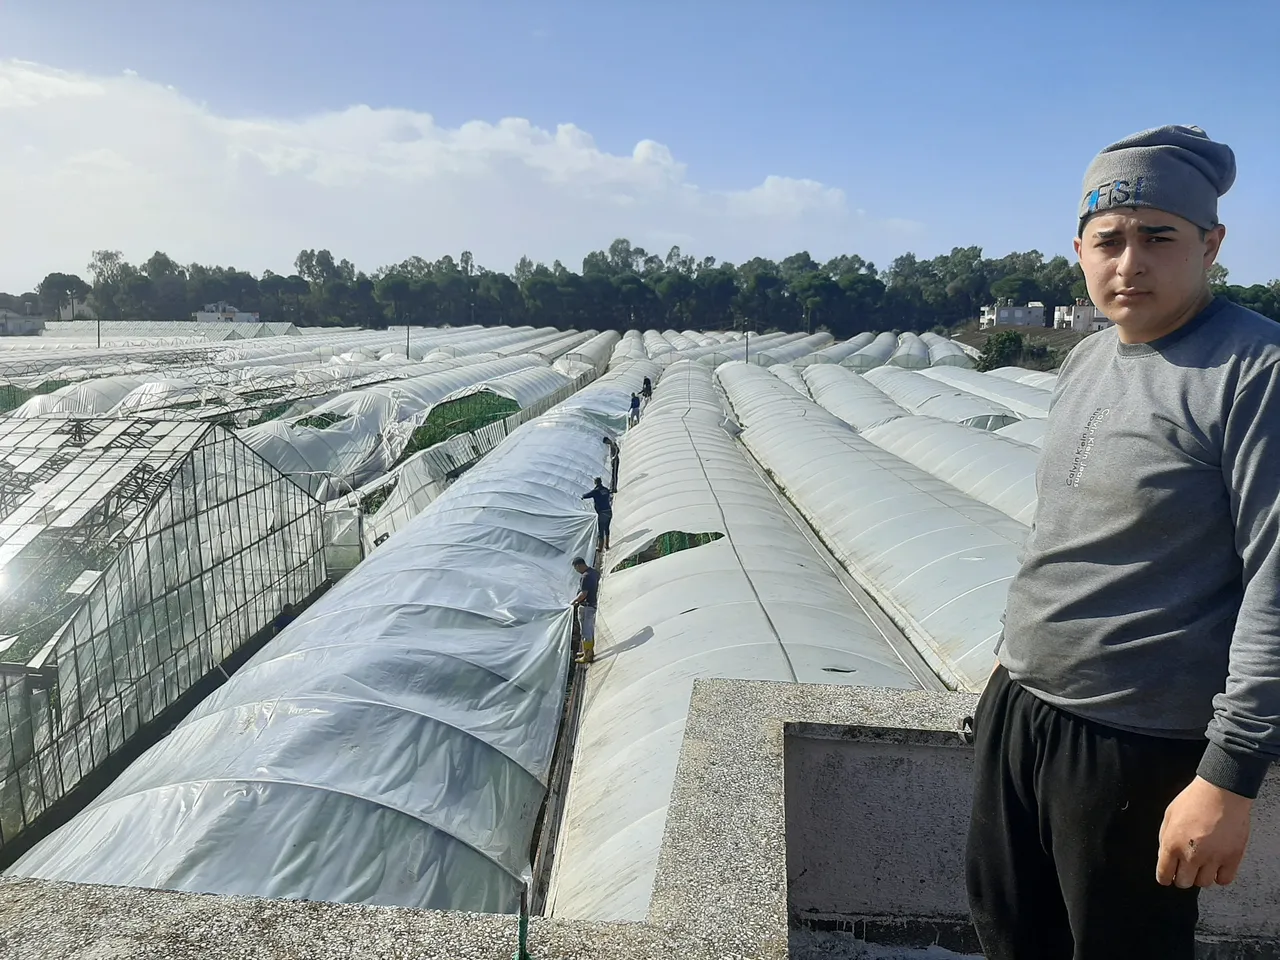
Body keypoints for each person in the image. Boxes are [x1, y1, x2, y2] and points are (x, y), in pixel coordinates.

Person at [966, 125, 1280, 960]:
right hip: (1024, 713)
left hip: (1136, 746)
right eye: (1108, 240)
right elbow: (1066, 531)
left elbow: (1276, 581)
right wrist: (1011, 661)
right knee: (1009, 936)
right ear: (1079, 250)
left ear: (1211, 244)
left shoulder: (1254, 371)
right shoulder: (1087, 358)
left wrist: (1229, 773)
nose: (1129, 263)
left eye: (1158, 238)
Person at [571, 557, 600, 664]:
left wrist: (574, 602)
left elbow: (583, 594)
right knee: (588, 629)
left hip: (586, 606)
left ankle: (588, 656)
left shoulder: (585, 577)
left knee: (586, 631)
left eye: (576, 568)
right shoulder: (594, 572)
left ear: (578, 566)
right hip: (592, 604)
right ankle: (586, 651)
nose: (576, 571)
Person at [581, 476, 612, 551]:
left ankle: (600, 547)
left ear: (595, 483)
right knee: (607, 528)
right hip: (609, 511)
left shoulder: (596, 491)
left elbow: (586, 495)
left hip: (602, 513)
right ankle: (607, 545)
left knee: (601, 530)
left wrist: (582, 496)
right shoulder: (606, 490)